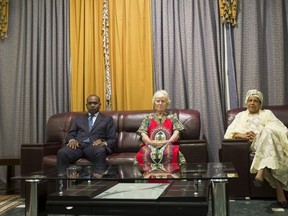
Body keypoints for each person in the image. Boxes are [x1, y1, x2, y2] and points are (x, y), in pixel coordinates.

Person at [224, 89, 288, 207]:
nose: (252, 103)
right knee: (269, 141)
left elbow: (281, 129)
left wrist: (263, 133)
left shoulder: (267, 113)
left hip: (270, 143)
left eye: (256, 101)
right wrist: (241, 135)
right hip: (253, 144)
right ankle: (278, 189)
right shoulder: (240, 116)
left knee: (268, 133)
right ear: (246, 102)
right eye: (250, 100)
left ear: (260, 104)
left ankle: (261, 171)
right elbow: (228, 134)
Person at [56, 94, 116, 175]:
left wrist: (103, 143)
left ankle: (100, 179)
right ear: (86, 105)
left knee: (100, 151)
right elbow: (70, 134)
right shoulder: (78, 119)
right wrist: (72, 140)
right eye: (90, 103)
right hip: (78, 146)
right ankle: (62, 180)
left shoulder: (107, 119)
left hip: (94, 147)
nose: (92, 105)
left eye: (95, 103)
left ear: (100, 105)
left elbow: (112, 139)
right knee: (62, 153)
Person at [134, 90, 186, 165]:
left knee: (175, 154)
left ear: (167, 103)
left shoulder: (172, 117)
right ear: (154, 103)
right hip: (150, 145)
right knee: (141, 156)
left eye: (163, 101)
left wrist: (167, 142)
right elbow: (143, 133)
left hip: (168, 145)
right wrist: (151, 142)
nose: (160, 103)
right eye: (157, 101)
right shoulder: (148, 118)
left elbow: (176, 133)